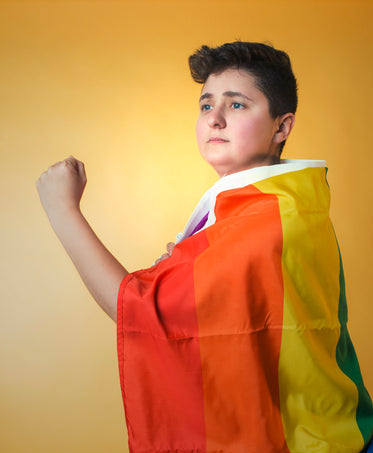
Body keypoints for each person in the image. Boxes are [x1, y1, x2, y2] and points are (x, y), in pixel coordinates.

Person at [37, 41, 373, 452]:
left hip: (311, 441)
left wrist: (63, 210)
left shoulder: (266, 220)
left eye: (236, 106)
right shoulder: (281, 202)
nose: (214, 119)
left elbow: (142, 311)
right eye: (205, 105)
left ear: (281, 127)